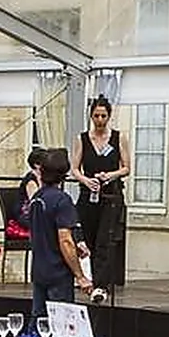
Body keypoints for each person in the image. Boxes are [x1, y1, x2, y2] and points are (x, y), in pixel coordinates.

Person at [70, 96, 130, 301]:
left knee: (105, 238)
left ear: (109, 116)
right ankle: (90, 278)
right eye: (96, 115)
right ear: (91, 116)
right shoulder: (83, 139)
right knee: (88, 237)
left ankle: (101, 285)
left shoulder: (118, 138)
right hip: (89, 194)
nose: (100, 120)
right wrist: (86, 181)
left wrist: (110, 175)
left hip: (110, 194)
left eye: (103, 116)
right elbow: (75, 169)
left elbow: (126, 167)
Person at [27, 148, 92, 320]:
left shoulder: (36, 199)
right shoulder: (62, 200)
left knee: (39, 322)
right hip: (58, 272)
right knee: (60, 324)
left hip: (39, 269)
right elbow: (65, 241)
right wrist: (80, 276)